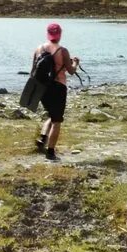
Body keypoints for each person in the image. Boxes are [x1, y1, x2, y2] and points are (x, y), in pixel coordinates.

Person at [32, 22, 78, 162]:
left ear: (48, 33)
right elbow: (71, 71)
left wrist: (33, 91)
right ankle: (50, 152)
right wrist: (75, 62)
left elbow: (32, 71)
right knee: (57, 120)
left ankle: (43, 137)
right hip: (58, 87)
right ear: (60, 34)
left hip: (42, 87)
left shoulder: (38, 49)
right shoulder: (63, 51)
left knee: (51, 115)